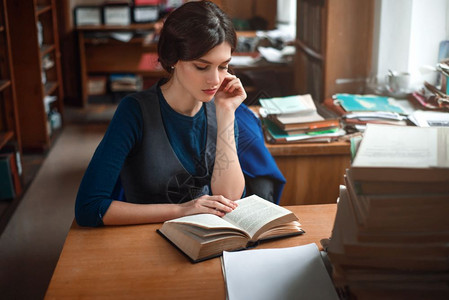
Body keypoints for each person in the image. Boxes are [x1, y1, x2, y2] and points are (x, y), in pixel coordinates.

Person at [75, 1, 246, 227]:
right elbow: (89, 208)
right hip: (144, 236)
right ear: (173, 59)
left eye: (223, 66)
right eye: (201, 67)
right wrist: (181, 210)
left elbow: (231, 199)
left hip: (207, 236)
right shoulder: (134, 111)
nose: (215, 80)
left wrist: (226, 114)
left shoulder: (221, 107)